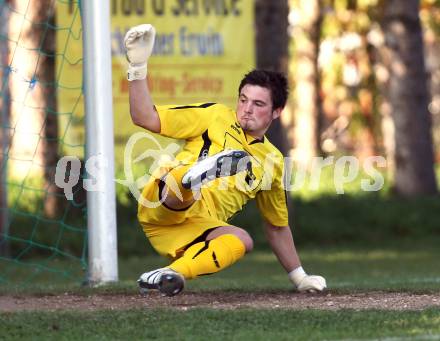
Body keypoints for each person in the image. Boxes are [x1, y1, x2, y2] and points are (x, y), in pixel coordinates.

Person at [125, 24, 326, 296]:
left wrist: (300, 278)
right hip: (162, 201)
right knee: (182, 184)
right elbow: (144, 117)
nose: (246, 109)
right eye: (243, 100)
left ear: (277, 112)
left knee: (242, 240)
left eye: (258, 104)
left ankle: (167, 275)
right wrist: (137, 67)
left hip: (193, 230)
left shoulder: (273, 162)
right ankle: (192, 178)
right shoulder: (214, 116)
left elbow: (276, 227)